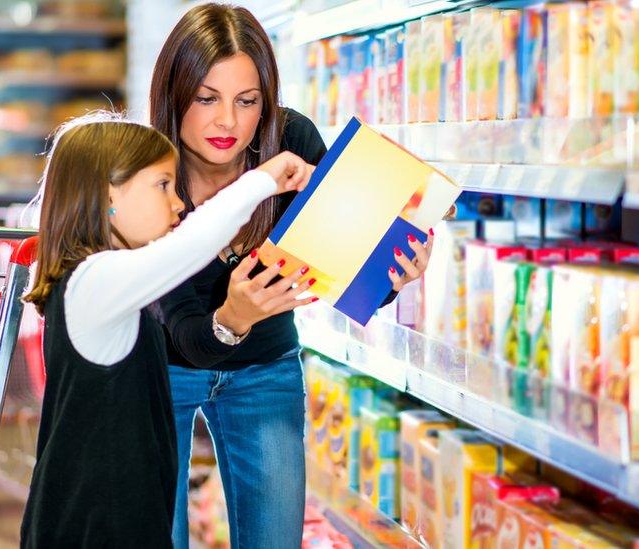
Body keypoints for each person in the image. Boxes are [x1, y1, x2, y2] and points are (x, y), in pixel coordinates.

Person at [149, 5, 433, 548]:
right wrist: (232, 318)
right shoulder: (148, 171)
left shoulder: (292, 138)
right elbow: (185, 334)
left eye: (247, 101)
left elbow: (341, 267)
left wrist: (392, 275)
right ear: (173, 93)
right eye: (206, 98)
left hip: (264, 367)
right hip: (160, 368)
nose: (227, 121)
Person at [18, 110, 314, 548]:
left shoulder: (108, 285)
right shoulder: (94, 282)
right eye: (162, 185)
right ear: (106, 195)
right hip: (92, 529)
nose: (178, 203)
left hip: (115, 521)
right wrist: (263, 179)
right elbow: (191, 245)